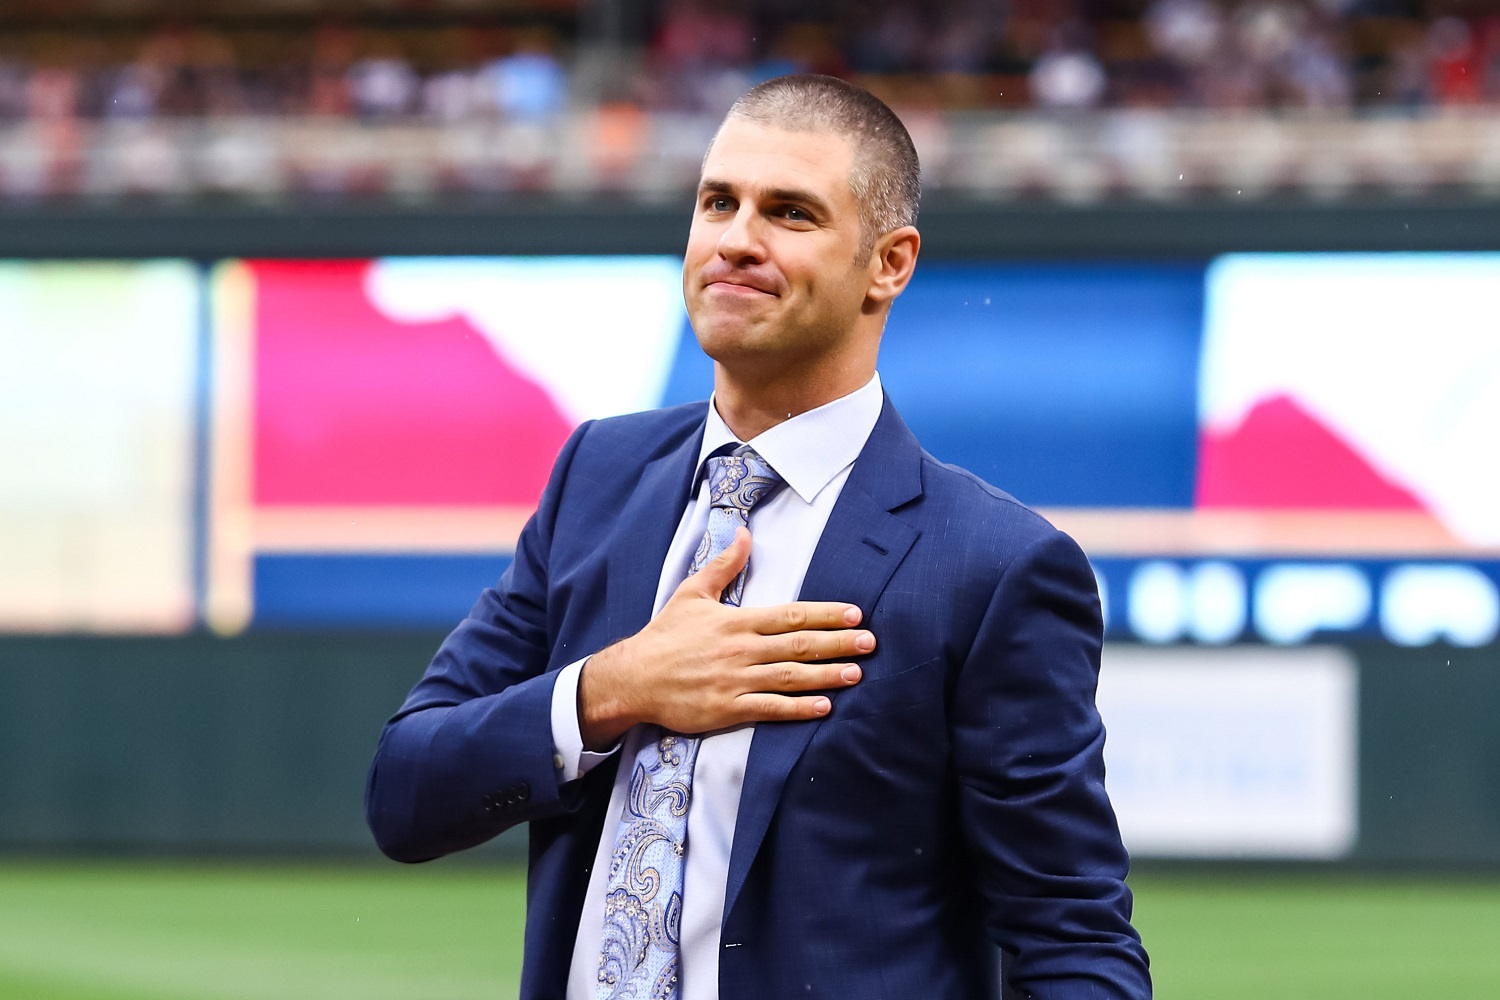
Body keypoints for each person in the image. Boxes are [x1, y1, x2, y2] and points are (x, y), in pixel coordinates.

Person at [366, 74, 1151, 1000]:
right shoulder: (598, 477)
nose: (737, 240)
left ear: (888, 264)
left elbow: (1074, 941)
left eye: (790, 213)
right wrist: (615, 688)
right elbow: (406, 794)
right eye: (717, 202)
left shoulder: (993, 566)